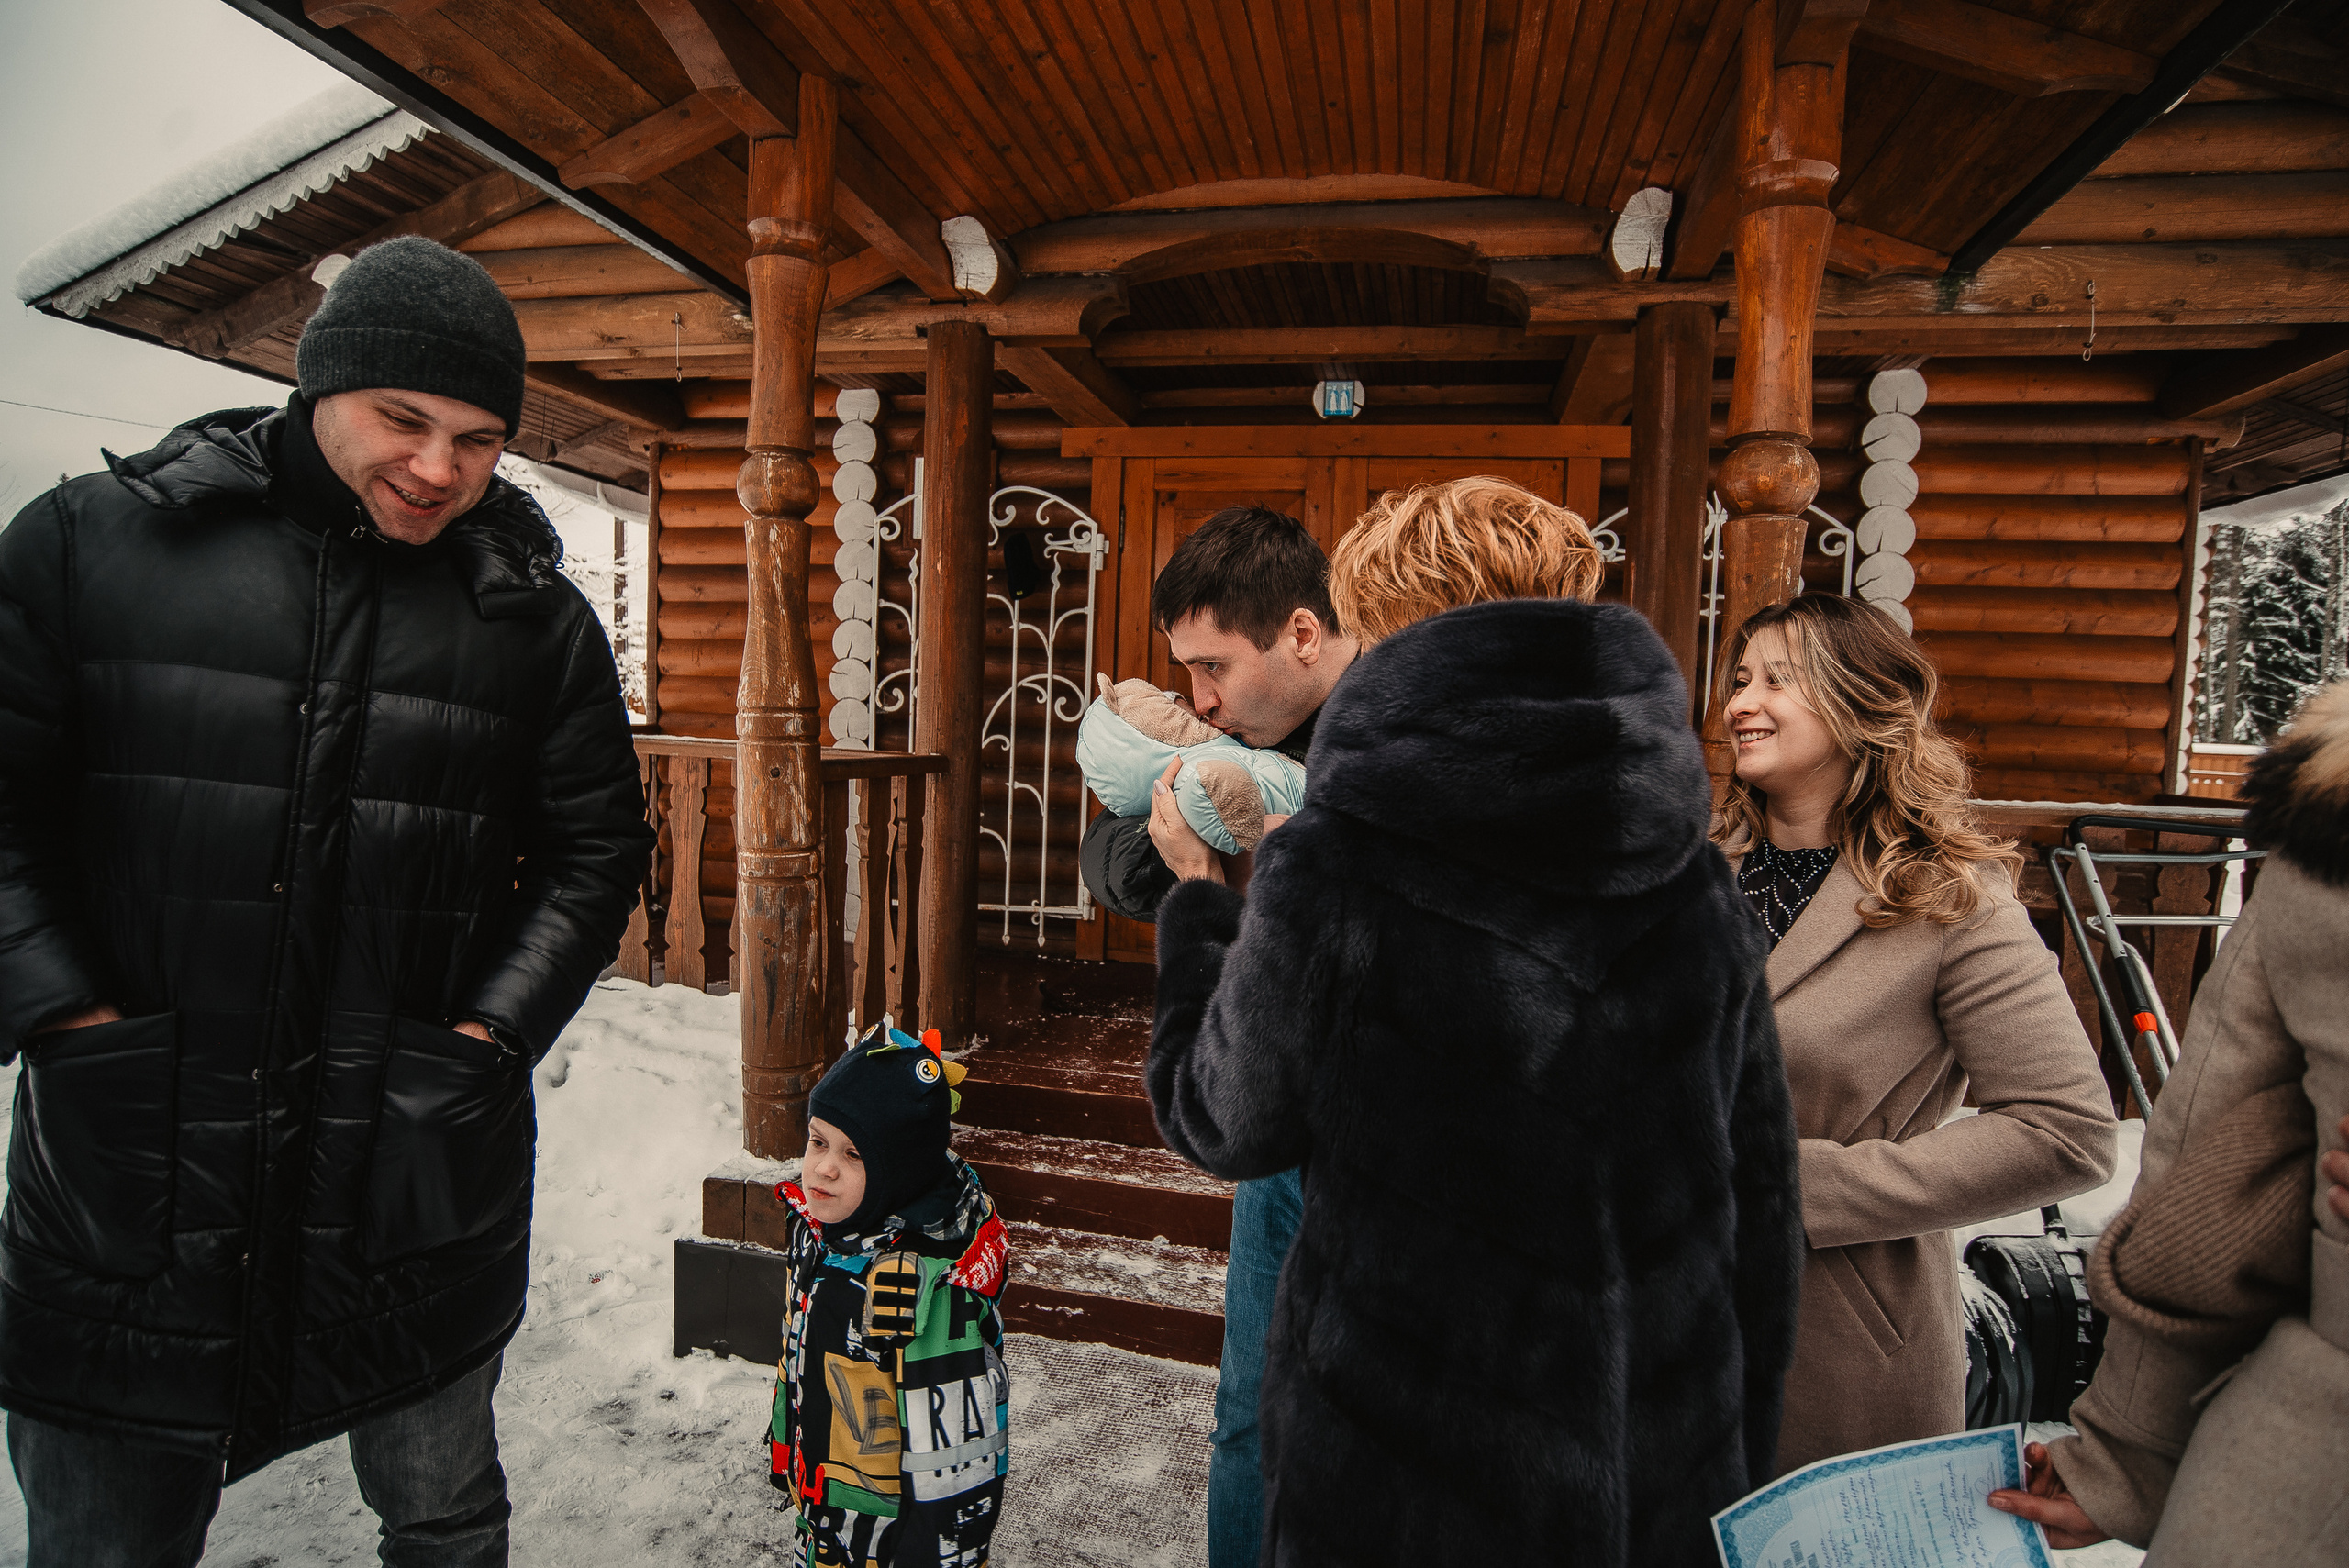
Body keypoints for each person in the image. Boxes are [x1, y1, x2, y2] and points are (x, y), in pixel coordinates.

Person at [0, 236, 652, 1565]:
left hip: (409, 1163)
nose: (439, 469)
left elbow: (596, 850)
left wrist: (489, 1039)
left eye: (478, 440)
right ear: (316, 387)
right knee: (107, 1542)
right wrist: (67, 1022)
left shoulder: (529, 619)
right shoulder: (88, 546)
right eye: (403, 419)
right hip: (138, 1165)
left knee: (445, 1520)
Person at [1145, 476, 1803, 1566]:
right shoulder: (1691, 879)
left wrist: (1198, 909)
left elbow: (1223, 1117)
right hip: (1648, 1464)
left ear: (1399, 631)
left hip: (1406, 1470)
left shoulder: (1341, 863)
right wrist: (1730, 1466)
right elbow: (1761, 1210)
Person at [1711, 592, 2118, 1473]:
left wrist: (1791, 1184)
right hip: (1655, 1325)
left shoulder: (1951, 899)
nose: (1741, 702)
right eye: (1739, 679)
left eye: (1778, 680)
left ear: (1860, 702)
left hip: (1836, 1332)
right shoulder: (1689, 872)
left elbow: (2066, 1129)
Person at [1987, 679, 2349, 1565]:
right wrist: (2123, 1457)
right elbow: (2206, 1171)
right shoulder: (2325, 811)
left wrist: (2128, 1455)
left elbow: (2195, 1162)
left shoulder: (2329, 806)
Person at [1075, 506, 1357, 1568]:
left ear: (1301, 634)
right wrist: (1193, 842)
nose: (1197, 696)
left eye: (1213, 666)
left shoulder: (1387, 746)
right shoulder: (1232, 743)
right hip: (1271, 1124)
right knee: (1246, 1411)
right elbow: (1111, 864)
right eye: (1186, 671)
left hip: (1372, 1137)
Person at [767, 1025, 1009, 1567]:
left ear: (900, 1173)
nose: (824, 1167)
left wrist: (937, 1554)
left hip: (886, 1535)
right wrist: (786, 1443)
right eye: (818, 1142)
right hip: (825, 1508)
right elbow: (797, 1350)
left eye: (854, 1155)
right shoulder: (820, 1230)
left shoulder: (923, 1293)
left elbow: (956, 1461)